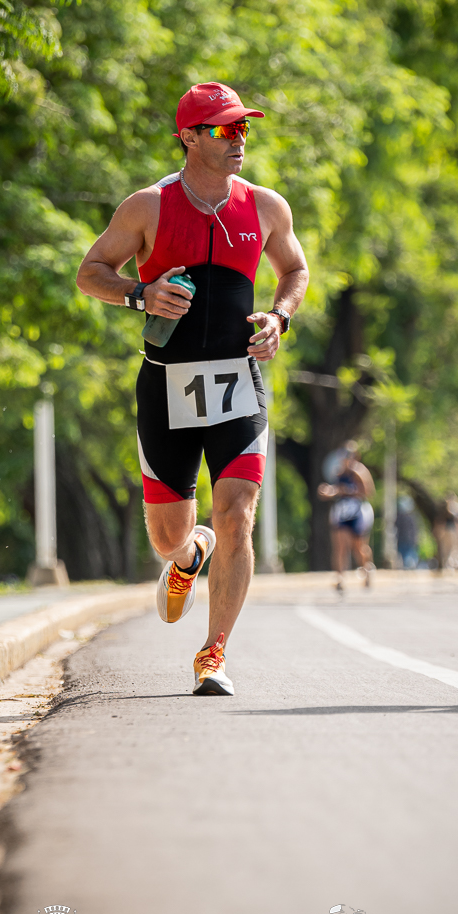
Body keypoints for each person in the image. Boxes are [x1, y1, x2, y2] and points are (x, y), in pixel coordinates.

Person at [77, 83, 308, 695]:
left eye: (242, 131)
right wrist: (138, 293)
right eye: (221, 131)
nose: (236, 141)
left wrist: (279, 317)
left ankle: (214, 653)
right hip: (166, 389)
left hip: (239, 386)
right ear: (186, 136)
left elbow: (295, 268)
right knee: (168, 537)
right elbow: (91, 272)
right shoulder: (147, 207)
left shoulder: (264, 206)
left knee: (238, 516)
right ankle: (187, 554)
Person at [317, 442, 376, 591]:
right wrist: (328, 491)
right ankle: (340, 577)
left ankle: (366, 568)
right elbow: (335, 490)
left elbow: (368, 492)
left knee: (359, 547)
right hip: (342, 512)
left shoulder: (359, 472)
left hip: (357, 511)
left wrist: (346, 491)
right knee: (340, 546)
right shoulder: (338, 473)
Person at [434, 492, 458, 570]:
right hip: (454, 531)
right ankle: (452, 566)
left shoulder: (443, 507)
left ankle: (448, 566)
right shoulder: (457, 508)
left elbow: (439, 521)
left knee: (446, 550)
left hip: (445, 531)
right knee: (455, 550)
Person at [395, 495, 420, 570]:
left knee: (409, 556)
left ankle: (410, 567)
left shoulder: (409, 517)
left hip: (407, 541)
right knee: (406, 557)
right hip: (404, 540)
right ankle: (409, 567)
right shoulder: (403, 517)